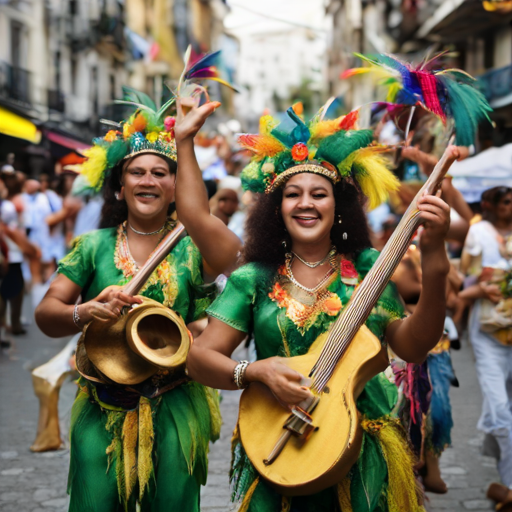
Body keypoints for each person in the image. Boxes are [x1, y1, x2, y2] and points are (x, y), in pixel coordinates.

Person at [186, 105, 454, 511]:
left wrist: (435, 261)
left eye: (318, 194)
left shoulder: (371, 268)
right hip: (281, 445)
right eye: (292, 194)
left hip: (363, 451)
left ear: (338, 206)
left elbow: (413, 346)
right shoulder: (253, 278)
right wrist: (254, 371)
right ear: (276, 208)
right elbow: (200, 359)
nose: (305, 204)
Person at [35, 91, 240, 512]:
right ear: (119, 187)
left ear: (175, 188)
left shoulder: (193, 246)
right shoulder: (92, 246)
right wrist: (86, 310)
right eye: (137, 172)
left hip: (175, 402)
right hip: (101, 402)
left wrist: (186, 144)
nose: (148, 180)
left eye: (162, 173)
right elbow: (46, 315)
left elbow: (231, 262)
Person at [459, 186, 512, 510]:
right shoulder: (478, 231)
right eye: (506, 202)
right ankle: (509, 485)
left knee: (505, 411)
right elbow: (466, 279)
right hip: (488, 333)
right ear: (490, 205)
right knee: (500, 410)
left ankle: (505, 478)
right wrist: (485, 288)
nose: (511, 207)